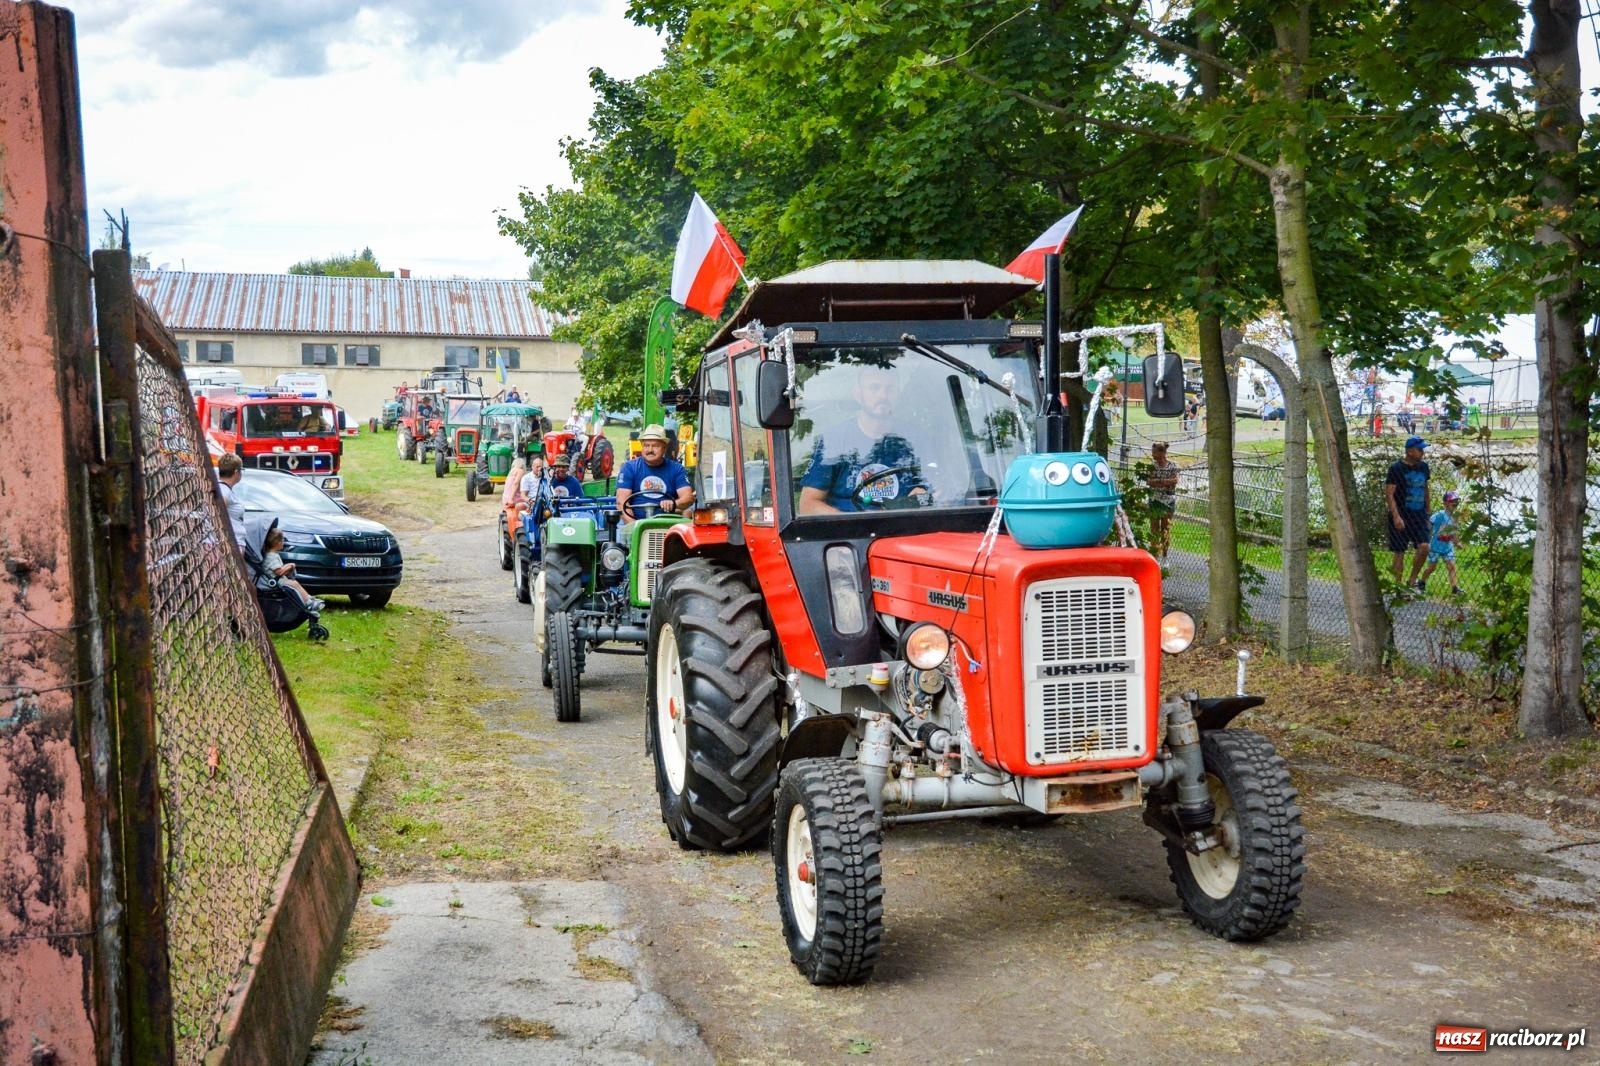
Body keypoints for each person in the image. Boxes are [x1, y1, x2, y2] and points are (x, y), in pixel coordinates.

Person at [797, 365, 929, 515]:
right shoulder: (834, 440)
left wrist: (924, 495)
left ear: (898, 395)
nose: (883, 395)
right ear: (858, 395)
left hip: (904, 529)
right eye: (874, 388)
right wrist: (852, 523)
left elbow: (938, 492)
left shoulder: (915, 438)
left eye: (890, 389)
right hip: (853, 534)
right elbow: (808, 505)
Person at [616, 424, 693, 518]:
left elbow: (688, 497)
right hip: (635, 523)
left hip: (668, 523)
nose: (650, 450)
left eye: (655, 446)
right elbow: (622, 502)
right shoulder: (629, 467)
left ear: (664, 448)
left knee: (687, 512)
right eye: (646, 445)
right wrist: (636, 528)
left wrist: (674, 503)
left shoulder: (677, 469)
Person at [1386, 435, 1432, 586]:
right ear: (1410, 451)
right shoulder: (1396, 469)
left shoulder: (1423, 467)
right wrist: (1396, 516)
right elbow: (1389, 494)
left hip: (1419, 515)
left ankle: (1412, 579)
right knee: (1400, 552)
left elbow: (1425, 489)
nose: (1422, 452)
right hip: (1401, 515)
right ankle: (1398, 586)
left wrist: (1428, 513)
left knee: (1424, 546)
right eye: (1420, 450)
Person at [261, 522, 325, 613]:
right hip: (276, 581)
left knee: (294, 583)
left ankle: (309, 599)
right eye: (282, 541)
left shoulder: (274, 554)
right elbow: (279, 571)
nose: (283, 543)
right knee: (293, 584)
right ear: (277, 543)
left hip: (279, 579)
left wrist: (289, 565)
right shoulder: (271, 556)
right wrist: (290, 565)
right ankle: (307, 602)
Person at [1417, 490, 1463, 595]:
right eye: (1452, 501)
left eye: (1456, 502)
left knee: (1452, 566)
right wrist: (1424, 537)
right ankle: (1422, 581)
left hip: (1447, 547)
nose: (1455, 504)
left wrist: (1457, 542)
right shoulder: (1439, 515)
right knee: (1432, 567)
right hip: (1435, 546)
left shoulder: (1455, 518)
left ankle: (1455, 588)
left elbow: (1454, 532)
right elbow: (1429, 525)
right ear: (1445, 503)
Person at [1144, 442, 1180, 560]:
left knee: (1165, 529)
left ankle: (1165, 556)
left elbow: (1175, 480)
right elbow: (1149, 481)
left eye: (1154, 452)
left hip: (1168, 502)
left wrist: (1159, 482)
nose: (1152, 454)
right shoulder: (1152, 466)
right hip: (1154, 501)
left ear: (1162, 453)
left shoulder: (1173, 465)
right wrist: (1165, 482)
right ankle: (1155, 556)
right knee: (1154, 529)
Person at [215, 452, 247, 549]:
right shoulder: (224, 490)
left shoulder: (224, 489)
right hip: (229, 545)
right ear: (236, 472)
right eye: (241, 470)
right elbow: (218, 513)